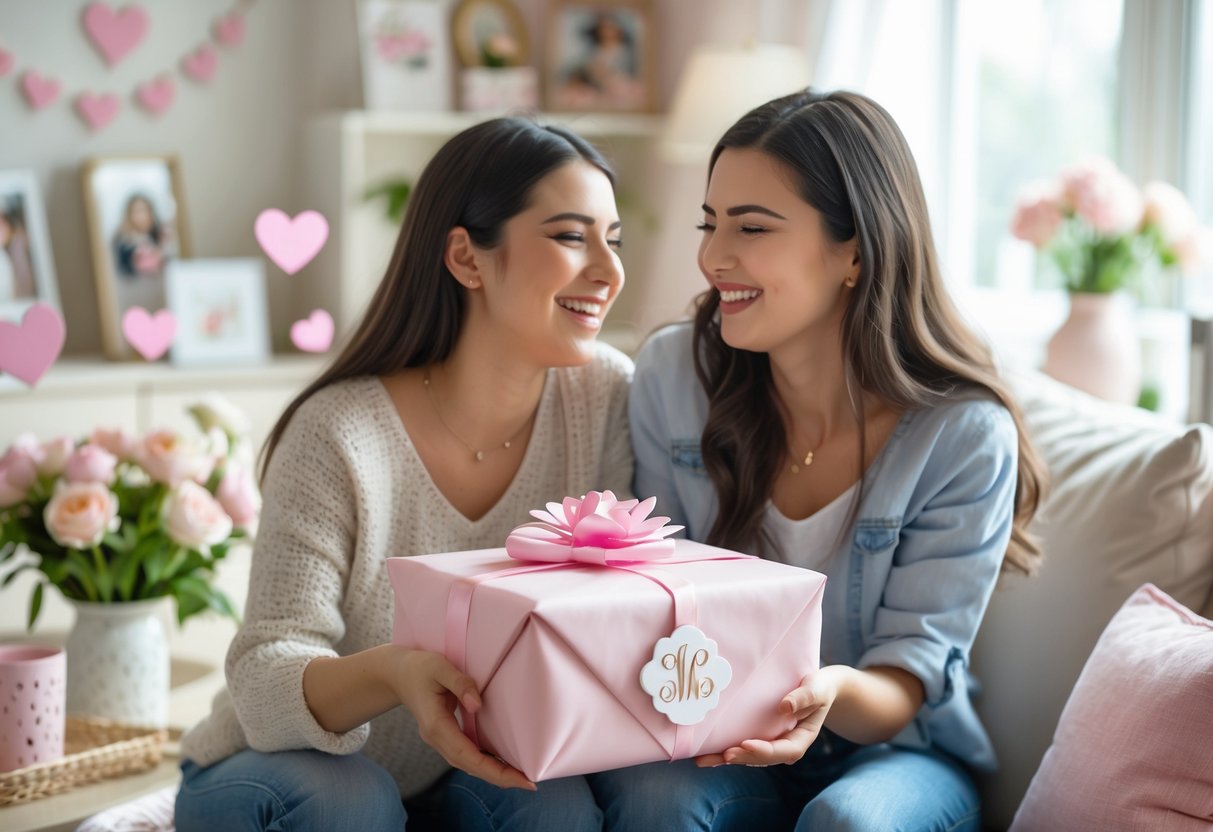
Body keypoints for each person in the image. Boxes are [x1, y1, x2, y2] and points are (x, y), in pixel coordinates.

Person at [175, 117, 633, 832]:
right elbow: (264, 678)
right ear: (466, 256)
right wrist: (395, 672)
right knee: (351, 800)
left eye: (614, 239)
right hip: (281, 771)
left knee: (559, 808)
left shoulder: (603, 397)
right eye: (572, 237)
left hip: (463, 771)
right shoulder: (341, 434)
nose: (608, 271)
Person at [614, 89, 1047, 830]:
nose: (713, 257)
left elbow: (905, 679)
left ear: (854, 249)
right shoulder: (671, 377)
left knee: (853, 821)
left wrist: (826, 692)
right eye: (709, 223)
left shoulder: (962, 435)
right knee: (657, 798)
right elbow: (654, 599)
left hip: (892, 751)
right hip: (709, 734)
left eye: (751, 227)